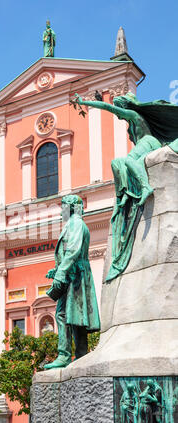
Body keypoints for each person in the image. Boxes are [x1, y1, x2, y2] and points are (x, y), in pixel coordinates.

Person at [72, 93, 178, 281]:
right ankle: (136, 188)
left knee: (124, 161)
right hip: (149, 144)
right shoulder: (133, 122)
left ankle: (144, 187)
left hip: (150, 143)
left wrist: (83, 102)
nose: (119, 115)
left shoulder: (134, 115)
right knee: (123, 163)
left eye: (119, 108)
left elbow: (108, 108)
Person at [44, 195, 100, 369]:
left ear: (71, 208)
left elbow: (73, 250)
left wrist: (61, 272)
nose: (61, 212)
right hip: (75, 273)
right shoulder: (75, 224)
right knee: (76, 315)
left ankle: (64, 355)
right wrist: (57, 269)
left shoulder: (75, 223)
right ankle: (81, 354)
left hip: (74, 275)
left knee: (63, 315)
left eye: (63, 208)